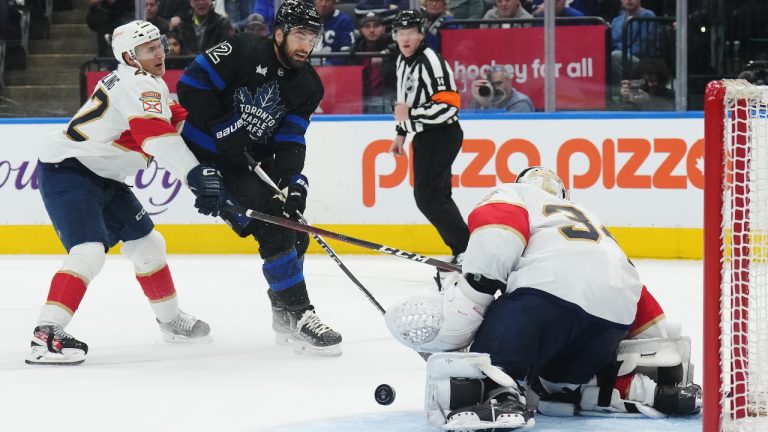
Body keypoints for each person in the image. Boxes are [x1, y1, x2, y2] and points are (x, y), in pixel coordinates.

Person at [385, 167, 701, 429]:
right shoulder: (587, 218)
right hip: (611, 319)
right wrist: (660, 349)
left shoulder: (517, 193)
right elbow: (628, 284)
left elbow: (499, 231)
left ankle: (499, 393)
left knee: (501, 324)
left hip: (547, 297)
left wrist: (473, 290)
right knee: (556, 384)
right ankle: (630, 387)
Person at [28, 20, 226, 365]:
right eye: (148, 49)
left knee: (149, 245)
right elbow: (155, 136)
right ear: (129, 57)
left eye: (159, 44)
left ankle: (170, 321)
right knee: (88, 251)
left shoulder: (147, 84)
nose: (159, 52)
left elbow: (181, 123)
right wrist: (194, 173)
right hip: (70, 171)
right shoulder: (138, 84)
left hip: (102, 176)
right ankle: (45, 334)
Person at [176, 0, 343, 356]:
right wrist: (224, 124)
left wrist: (291, 180)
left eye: (312, 38)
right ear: (280, 32)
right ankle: (301, 314)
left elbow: (290, 138)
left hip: (250, 162)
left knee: (297, 233)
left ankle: (283, 317)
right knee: (273, 226)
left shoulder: (309, 86)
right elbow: (190, 84)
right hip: (207, 160)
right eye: (299, 35)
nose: (305, 46)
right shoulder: (241, 49)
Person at [389, 10, 469, 286]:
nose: (405, 38)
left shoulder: (432, 61)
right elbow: (404, 100)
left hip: (442, 134)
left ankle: (466, 249)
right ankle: (464, 249)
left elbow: (449, 106)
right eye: (400, 33)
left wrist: (409, 117)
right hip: (425, 137)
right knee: (437, 195)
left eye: (410, 32)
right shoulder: (402, 60)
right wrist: (401, 133)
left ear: (421, 34)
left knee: (428, 197)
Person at [349, 12, 397, 114]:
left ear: (383, 29)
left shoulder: (394, 49)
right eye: (367, 26)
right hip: (360, 99)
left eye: (376, 26)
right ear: (361, 30)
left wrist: (384, 65)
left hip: (388, 99)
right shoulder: (355, 51)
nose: (371, 30)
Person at [610, 0, 657, 86]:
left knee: (615, 55)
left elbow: (643, 47)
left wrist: (620, 50)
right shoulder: (616, 21)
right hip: (621, 56)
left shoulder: (648, 15)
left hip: (641, 60)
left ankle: (618, 93)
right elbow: (611, 44)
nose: (629, 0)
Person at [313, 0, 356, 66]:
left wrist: (329, 65)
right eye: (320, 0)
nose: (323, 4)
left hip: (333, 69)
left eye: (328, 0)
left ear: (334, 1)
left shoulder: (343, 21)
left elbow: (346, 52)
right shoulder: (305, 19)